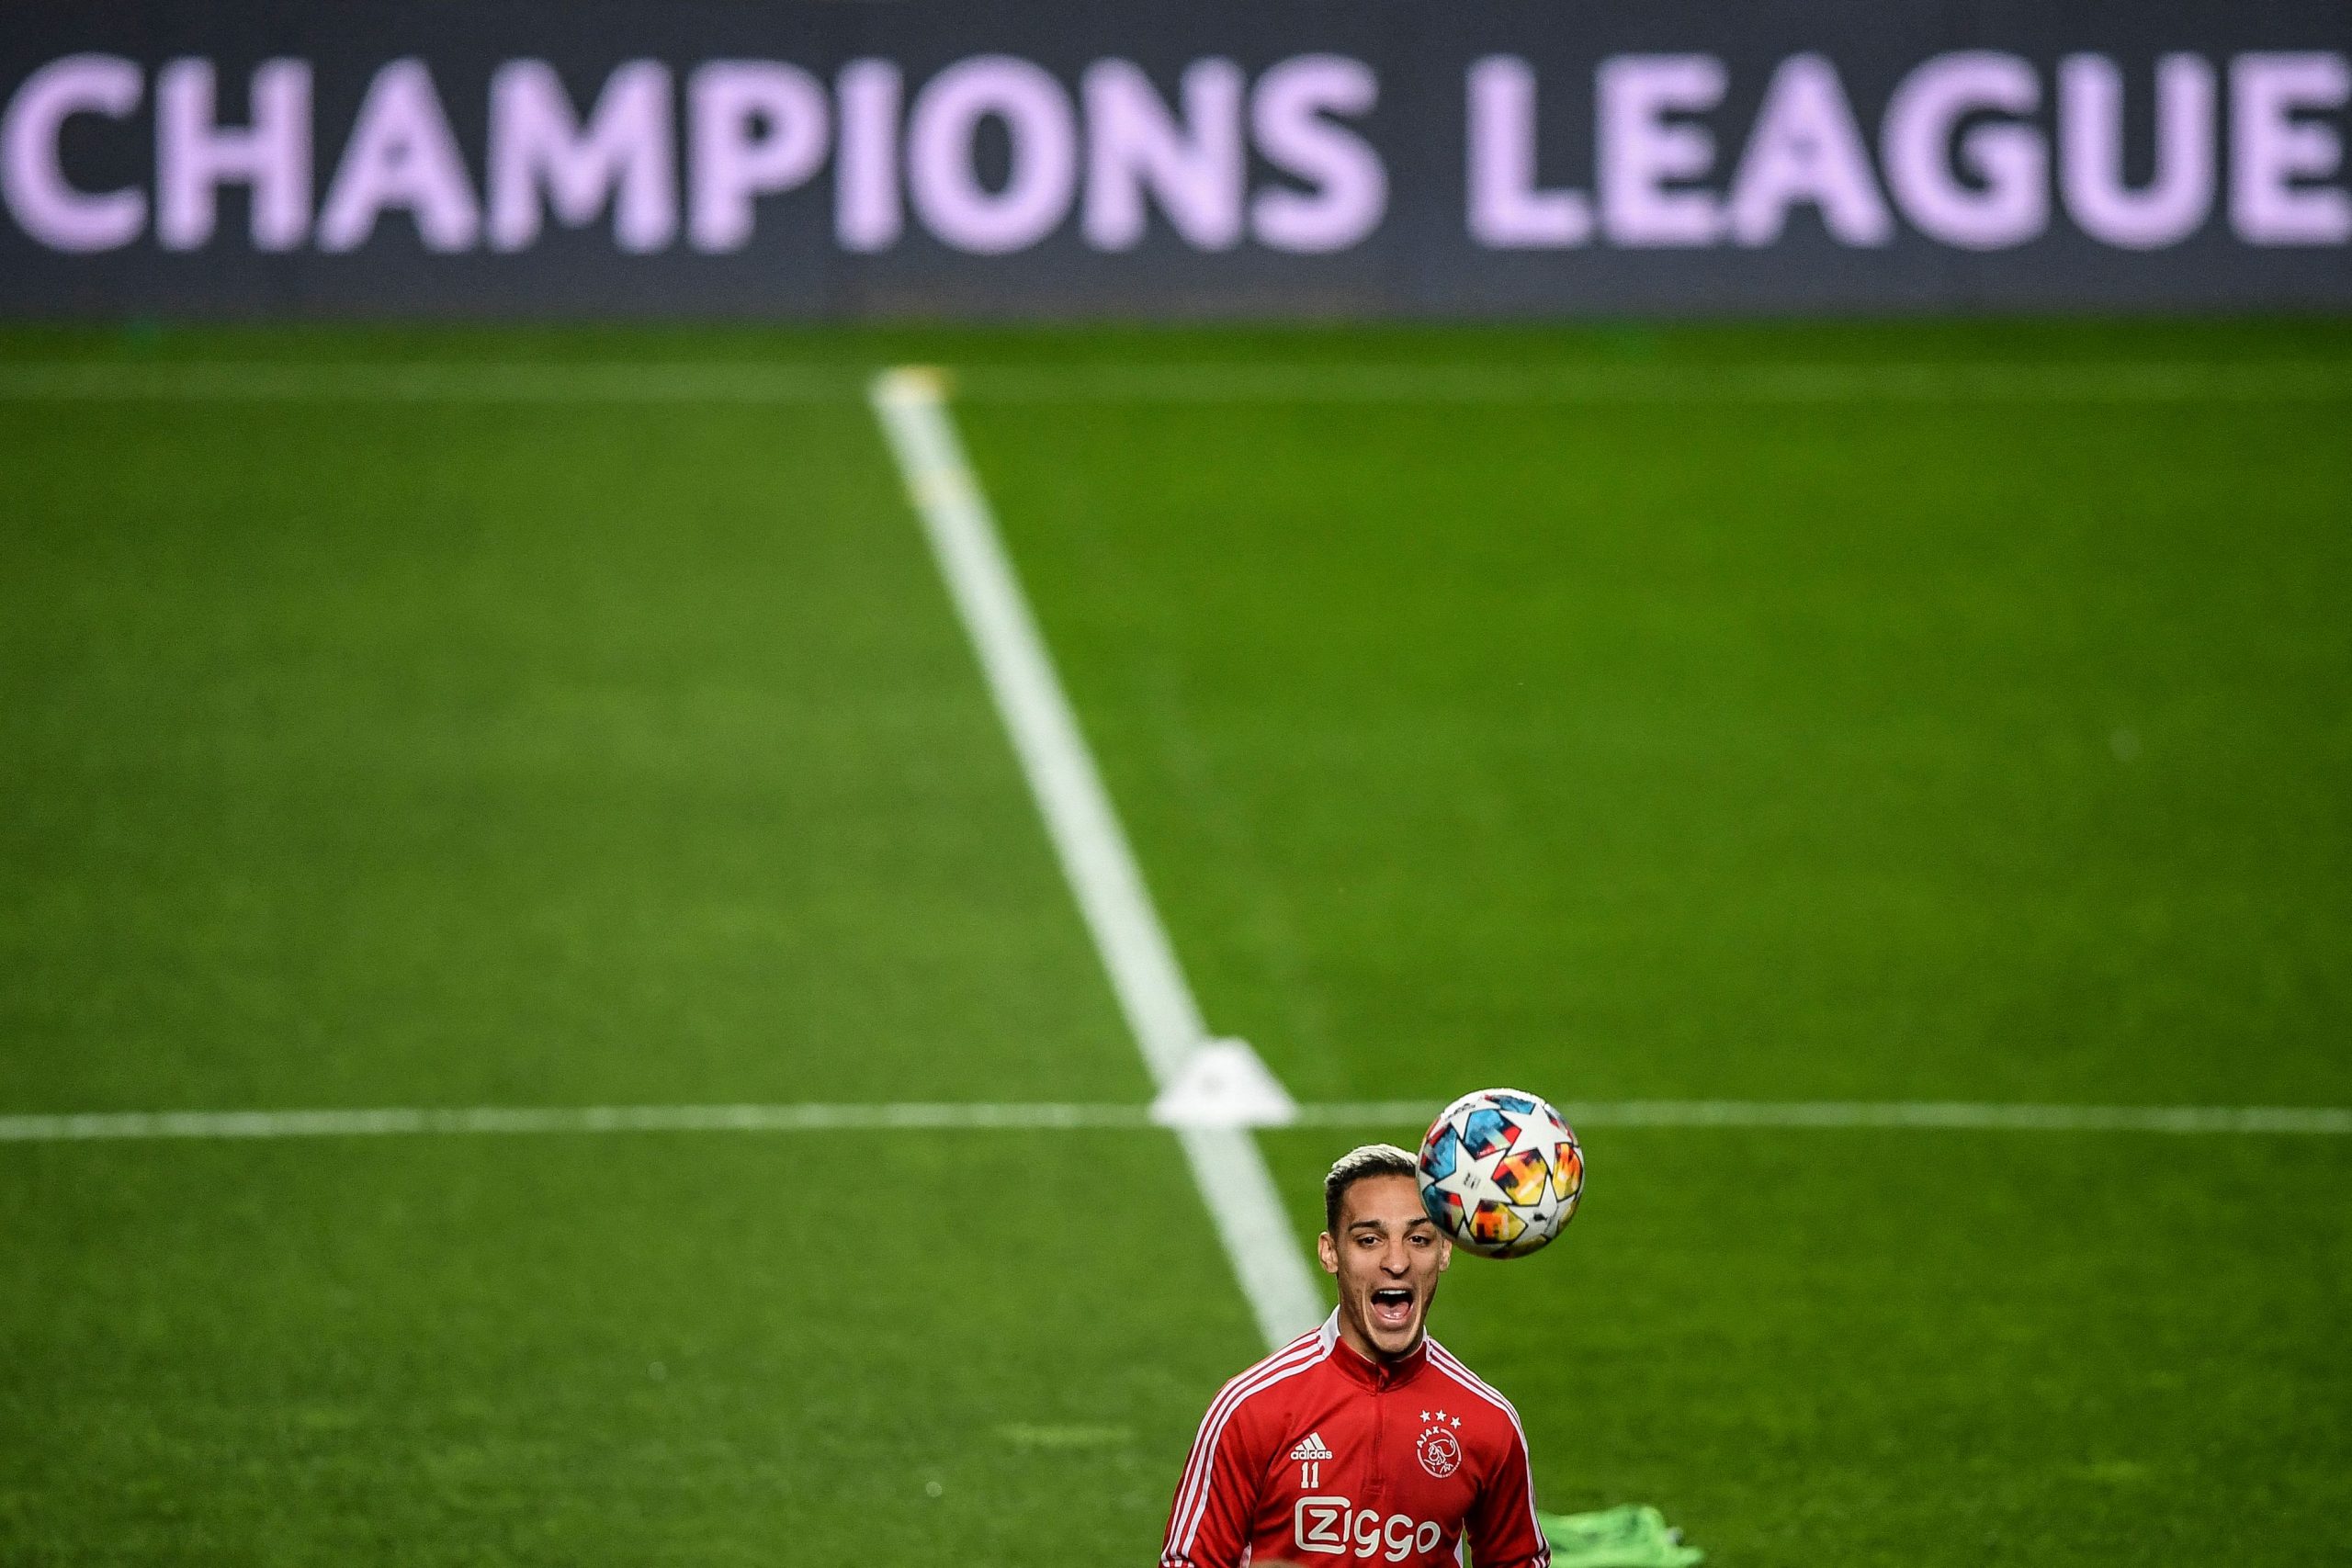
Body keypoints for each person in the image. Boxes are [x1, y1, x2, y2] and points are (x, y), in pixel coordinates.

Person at [1160, 1144, 1550, 1568]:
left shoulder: (1486, 1420)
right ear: (1331, 1253)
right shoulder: (1251, 1409)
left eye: (1418, 1239)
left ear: (1444, 1251)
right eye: (1369, 1240)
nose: (1397, 1261)